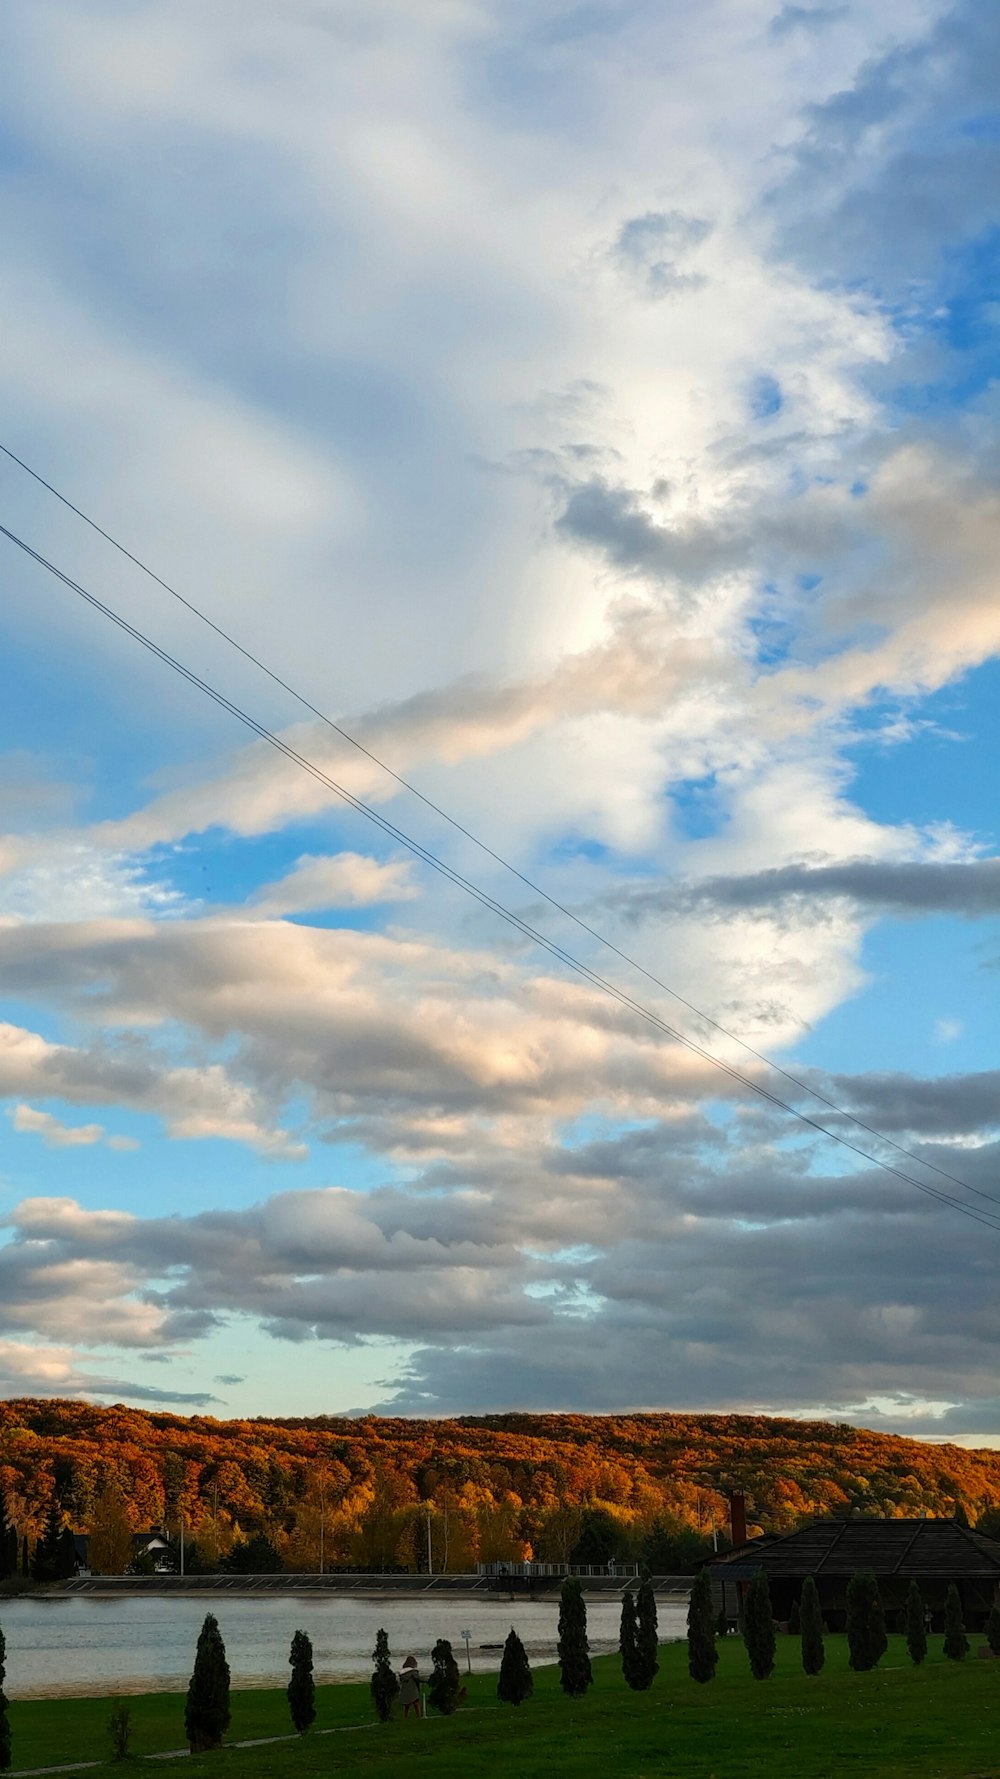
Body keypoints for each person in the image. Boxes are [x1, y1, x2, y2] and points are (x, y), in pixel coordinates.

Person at [399, 1654, 423, 1719]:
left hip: (405, 1691)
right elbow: (417, 1678)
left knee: (406, 1706)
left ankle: (405, 1718)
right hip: (413, 1690)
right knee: (416, 1704)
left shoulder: (402, 1673)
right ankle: (419, 1717)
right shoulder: (413, 1672)